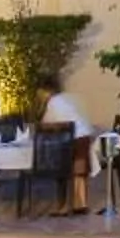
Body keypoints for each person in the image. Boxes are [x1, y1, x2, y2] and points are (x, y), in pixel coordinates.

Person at [42, 86, 96, 214]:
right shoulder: (68, 98)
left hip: (71, 139)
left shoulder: (53, 102)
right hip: (84, 135)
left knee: (62, 170)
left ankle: (63, 207)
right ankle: (81, 204)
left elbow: (46, 124)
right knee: (80, 170)